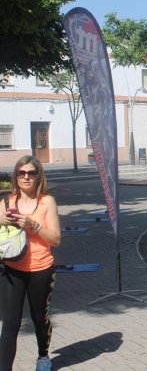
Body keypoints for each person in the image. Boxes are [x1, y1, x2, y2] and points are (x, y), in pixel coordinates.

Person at [0, 156, 61, 371]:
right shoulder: (6, 203)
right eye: (21, 173)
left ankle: (43, 357)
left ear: (38, 176)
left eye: (31, 173)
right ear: (16, 177)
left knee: (38, 318)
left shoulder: (47, 202)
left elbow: (55, 239)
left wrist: (33, 225)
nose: (26, 177)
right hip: (12, 269)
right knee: (10, 323)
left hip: (40, 269)